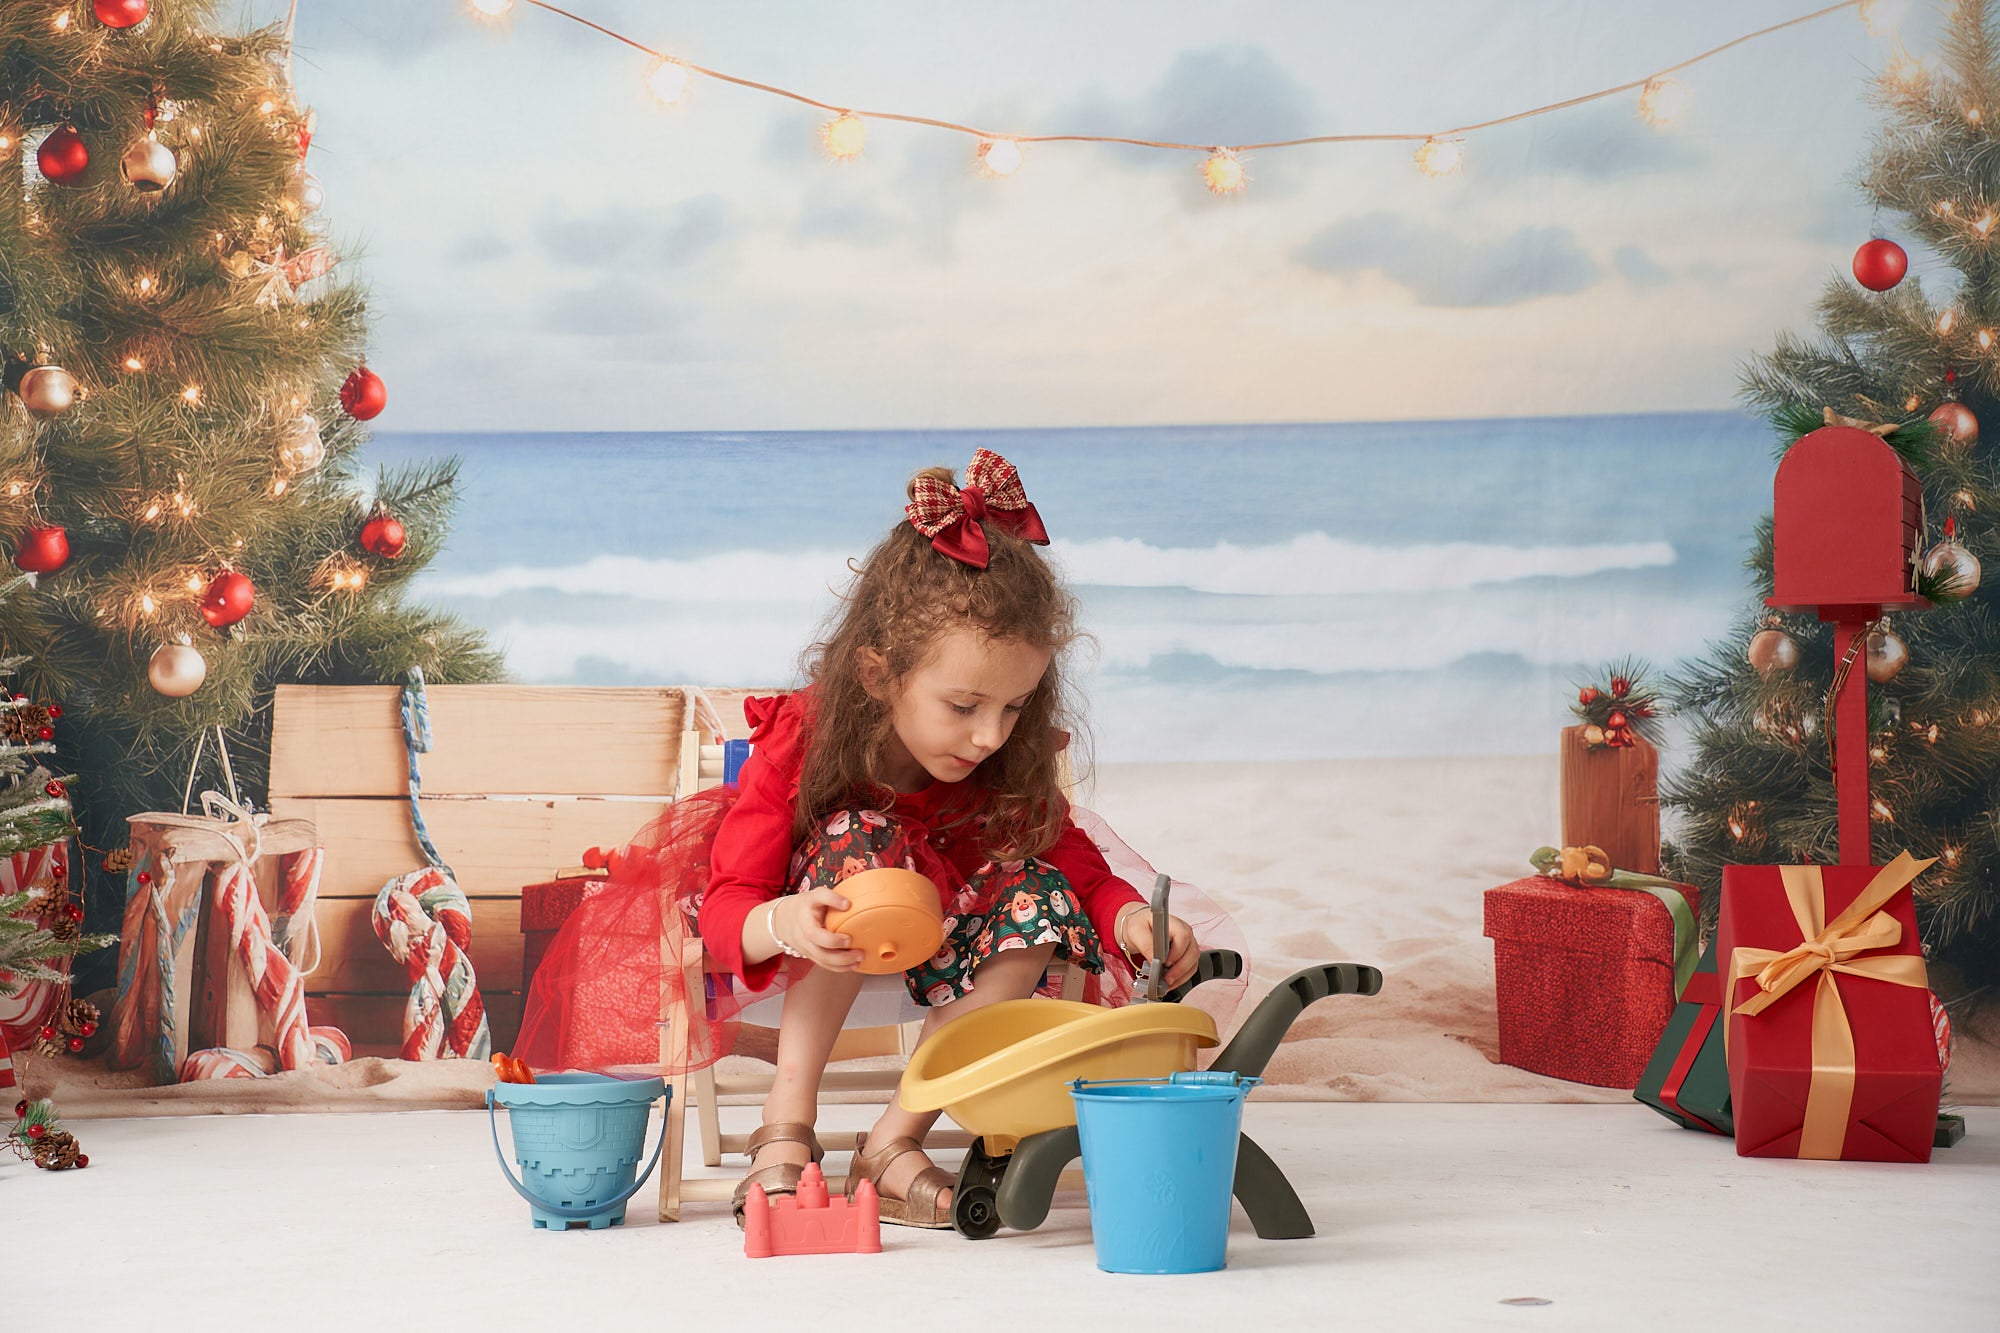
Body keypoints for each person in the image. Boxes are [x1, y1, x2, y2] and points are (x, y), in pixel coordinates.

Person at [514, 449, 1227, 1229]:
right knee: (861, 835)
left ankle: (896, 1135)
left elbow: (1078, 862)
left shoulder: (1000, 756)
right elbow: (729, 906)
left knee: (1044, 896)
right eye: (964, 705)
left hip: (954, 928)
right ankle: (788, 1115)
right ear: (879, 674)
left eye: (1015, 706)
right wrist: (787, 920)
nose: (991, 735)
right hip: (820, 925)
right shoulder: (807, 745)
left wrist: (1125, 915)